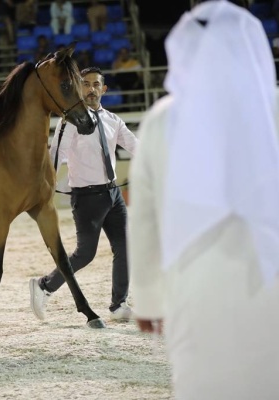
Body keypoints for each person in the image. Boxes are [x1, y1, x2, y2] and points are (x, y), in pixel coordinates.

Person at [128, 1, 279, 398]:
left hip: (195, 282)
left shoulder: (162, 119)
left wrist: (146, 298)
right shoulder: (274, 108)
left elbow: (143, 220)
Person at [29, 66, 138, 322]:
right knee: (85, 254)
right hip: (87, 196)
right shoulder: (71, 120)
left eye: (95, 85)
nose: (91, 89)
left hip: (113, 195)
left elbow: (136, 146)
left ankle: (118, 304)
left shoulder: (113, 120)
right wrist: (46, 185)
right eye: (86, 84)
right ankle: (44, 286)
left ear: (104, 89)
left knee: (124, 247)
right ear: (79, 88)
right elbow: (56, 153)